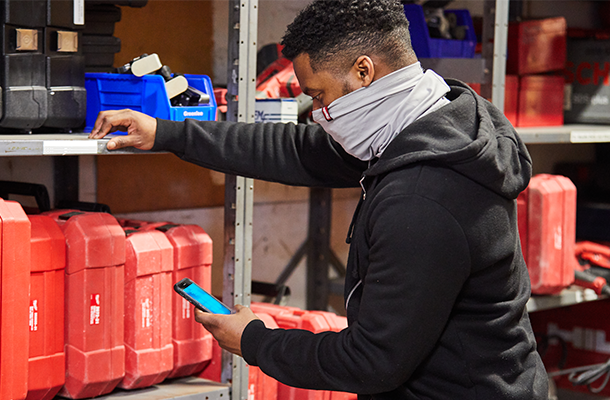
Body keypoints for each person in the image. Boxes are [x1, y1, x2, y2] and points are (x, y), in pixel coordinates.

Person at [89, 0, 548, 398]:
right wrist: (167, 133)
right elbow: (296, 150)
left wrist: (254, 341)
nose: (319, 113)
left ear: (364, 71)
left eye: (319, 95)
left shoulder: (423, 198)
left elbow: (373, 361)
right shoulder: (435, 122)